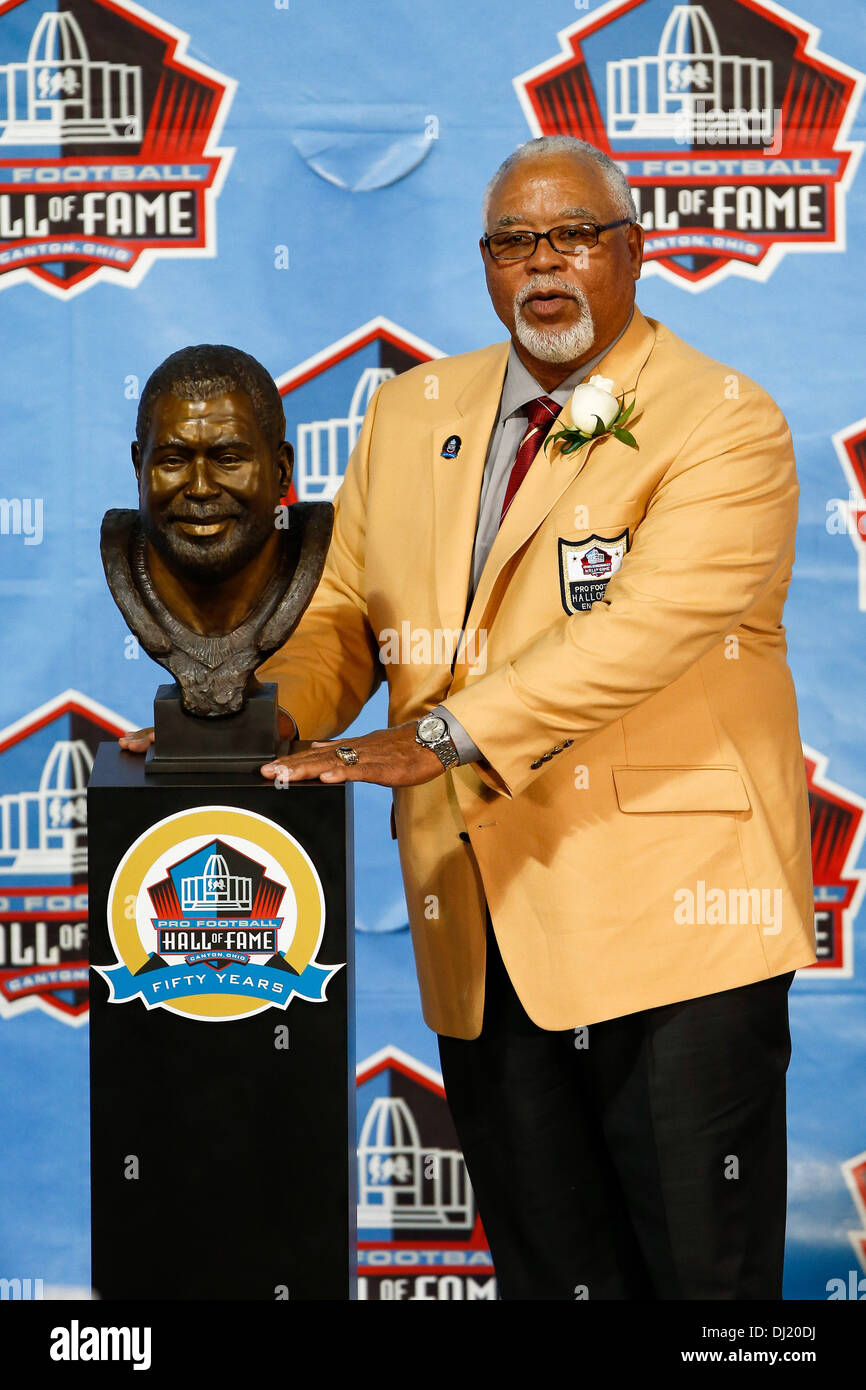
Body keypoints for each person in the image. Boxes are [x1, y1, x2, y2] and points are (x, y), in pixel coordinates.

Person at [121, 136, 817, 1300]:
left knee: (707, 1291)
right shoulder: (409, 412)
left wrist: (438, 732)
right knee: (552, 1278)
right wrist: (247, 718)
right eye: (511, 242)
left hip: (674, 936)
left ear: (632, 250)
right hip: (479, 934)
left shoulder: (721, 424)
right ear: (485, 264)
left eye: (572, 235)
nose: (541, 265)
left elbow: (635, 636)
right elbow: (342, 613)